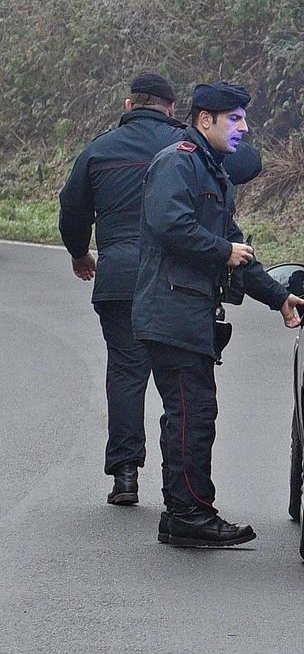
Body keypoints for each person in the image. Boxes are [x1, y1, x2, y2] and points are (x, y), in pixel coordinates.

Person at [133, 81, 304, 548]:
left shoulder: (212, 174)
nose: (244, 128)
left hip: (188, 314)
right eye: (234, 119)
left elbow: (239, 253)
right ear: (204, 119)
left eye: (243, 119)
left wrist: (279, 297)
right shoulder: (177, 162)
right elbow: (169, 225)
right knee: (193, 415)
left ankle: (181, 513)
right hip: (172, 312)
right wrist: (221, 250)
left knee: (187, 415)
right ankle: (191, 513)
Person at [59, 72, 187, 507]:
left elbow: (71, 207)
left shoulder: (99, 149)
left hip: (117, 277)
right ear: (172, 109)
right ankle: (183, 482)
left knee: (127, 373)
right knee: (182, 378)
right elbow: (244, 166)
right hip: (176, 281)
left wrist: (80, 253)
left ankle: (126, 474)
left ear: (129, 106)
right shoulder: (186, 147)